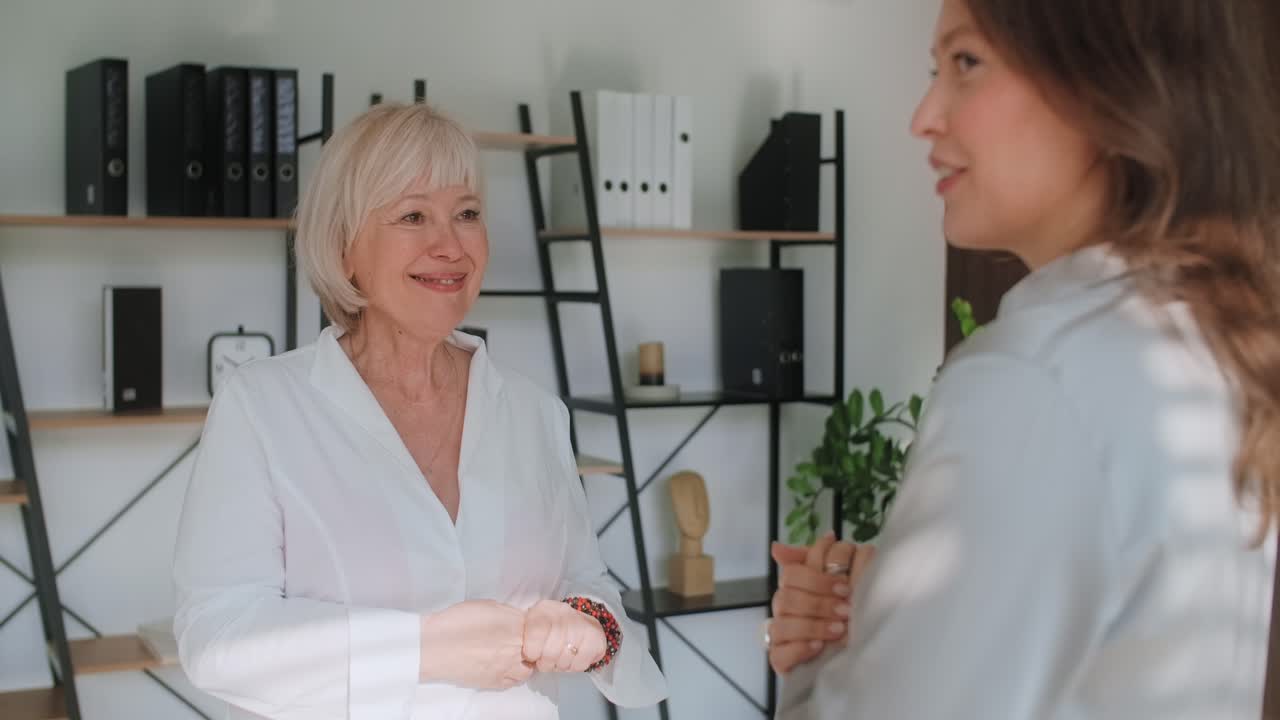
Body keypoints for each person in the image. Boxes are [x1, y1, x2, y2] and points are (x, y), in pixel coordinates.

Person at [768, 0, 1280, 717]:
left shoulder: (1030, 382)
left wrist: (822, 663)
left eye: (967, 63)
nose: (923, 115)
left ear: (1107, 82)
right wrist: (898, 622)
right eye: (934, 70)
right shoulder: (1211, 348)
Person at [172, 102, 667, 719]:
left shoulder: (535, 413)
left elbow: (589, 586)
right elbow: (217, 638)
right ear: (344, 247)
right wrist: (426, 649)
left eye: (467, 214)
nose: (450, 245)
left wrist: (590, 627)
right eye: (413, 216)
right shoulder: (262, 406)